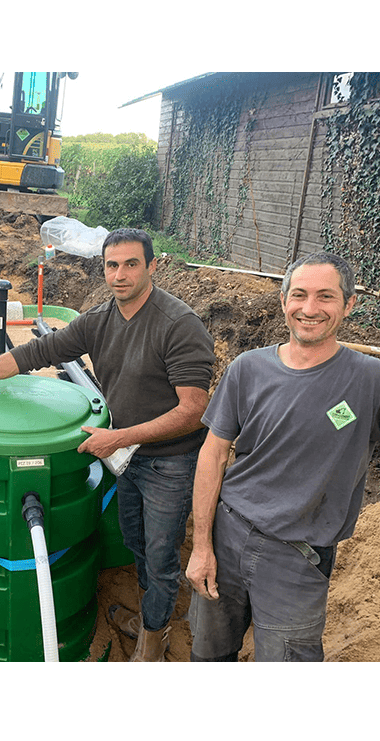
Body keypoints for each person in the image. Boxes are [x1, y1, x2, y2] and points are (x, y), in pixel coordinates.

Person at [0, 228, 215, 661]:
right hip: (125, 454)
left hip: (169, 461)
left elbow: (194, 410)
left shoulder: (178, 326)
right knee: (136, 542)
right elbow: (29, 355)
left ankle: (153, 641)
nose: (120, 274)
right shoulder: (100, 319)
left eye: (131, 264)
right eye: (112, 265)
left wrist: (121, 436)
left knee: (161, 554)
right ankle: (153, 618)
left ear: (152, 266)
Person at [186, 251, 380, 662]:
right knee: (207, 656)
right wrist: (202, 546)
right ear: (283, 300)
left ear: (349, 304)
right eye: (300, 295)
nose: (309, 309)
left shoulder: (369, 380)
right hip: (228, 535)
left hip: (299, 558)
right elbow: (214, 454)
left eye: (325, 297)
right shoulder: (247, 369)